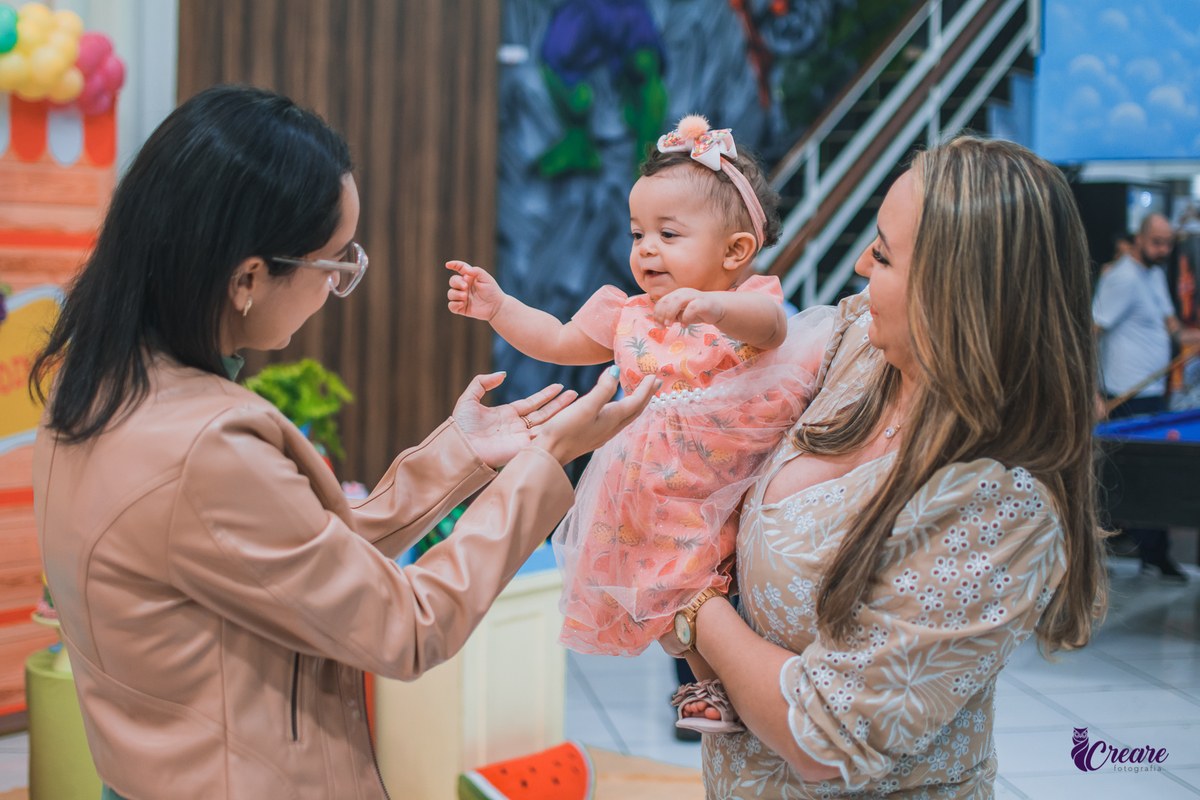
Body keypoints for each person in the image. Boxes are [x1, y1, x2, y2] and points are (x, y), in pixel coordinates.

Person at [30, 85, 657, 800]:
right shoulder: (203, 443)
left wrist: (458, 456)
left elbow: (291, 557)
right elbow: (410, 624)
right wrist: (545, 467)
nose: (337, 286)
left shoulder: (93, 394)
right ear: (248, 278)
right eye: (335, 266)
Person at [661, 137, 1106, 797]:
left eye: (886, 254)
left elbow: (825, 740)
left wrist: (690, 601)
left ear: (954, 293)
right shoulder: (860, 350)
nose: (864, 263)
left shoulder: (1002, 502)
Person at [446, 115, 833, 673]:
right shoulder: (630, 314)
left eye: (668, 235)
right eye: (637, 234)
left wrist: (714, 308)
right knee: (665, 597)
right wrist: (499, 307)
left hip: (722, 485)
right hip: (649, 492)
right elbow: (557, 339)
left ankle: (719, 677)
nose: (647, 250)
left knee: (710, 587)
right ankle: (703, 680)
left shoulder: (746, 303)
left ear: (735, 250)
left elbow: (772, 327)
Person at [1093, 212, 1200, 580]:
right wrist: (1091, 390)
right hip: (1125, 395)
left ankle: (1154, 554)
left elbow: (1174, 331)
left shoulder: (1154, 274)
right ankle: (1114, 549)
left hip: (1153, 395)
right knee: (1129, 481)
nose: (1164, 250)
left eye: (1169, 244)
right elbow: (1091, 332)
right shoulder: (1121, 278)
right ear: (1140, 237)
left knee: (1157, 481)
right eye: (1157, 242)